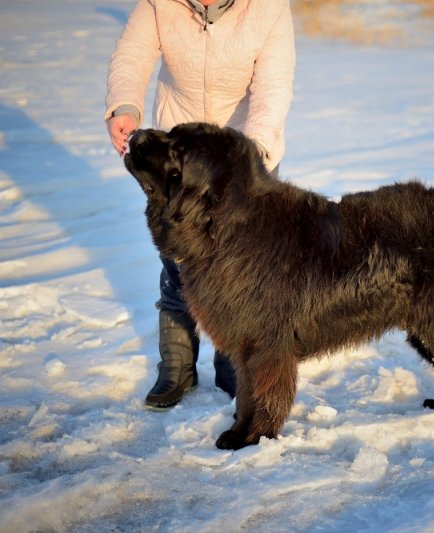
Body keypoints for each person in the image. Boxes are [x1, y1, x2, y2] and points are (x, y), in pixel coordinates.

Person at [104, 0, 295, 408]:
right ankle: (177, 368)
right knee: (179, 269)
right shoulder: (160, 4)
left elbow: (272, 88)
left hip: (246, 156)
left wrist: (249, 159)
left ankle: (234, 368)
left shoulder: (268, 8)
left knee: (242, 275)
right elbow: (132, 56)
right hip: (179, 162)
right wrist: (124, 105)